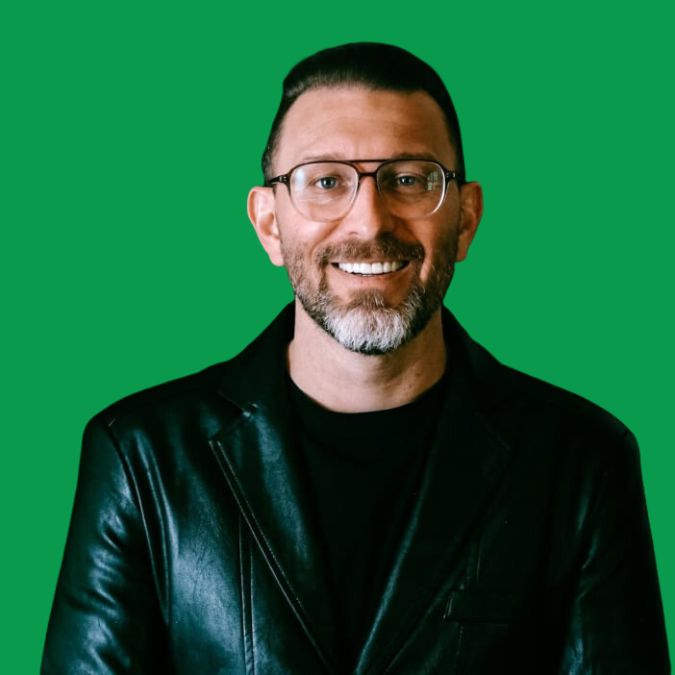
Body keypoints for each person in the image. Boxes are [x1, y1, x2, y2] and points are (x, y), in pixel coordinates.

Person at [42, 42, 669, 674]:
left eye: (410, 179)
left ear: (465, 219)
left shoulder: (583, 462)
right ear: (269, 225)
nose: (369, 222)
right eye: (325, 181)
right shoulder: (140, 456)